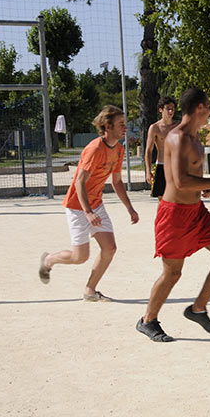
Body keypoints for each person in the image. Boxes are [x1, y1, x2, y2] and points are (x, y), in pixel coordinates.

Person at [136, 88, 210, 342]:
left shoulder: (195, 139)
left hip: (196, 212)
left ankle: (197, 308)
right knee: (173, 273)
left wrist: (204, 186)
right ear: (199, 108)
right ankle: (148, 320)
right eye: (208, 107)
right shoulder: (178, 138)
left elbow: (191, 177)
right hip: (173, 216)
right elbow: (180, 182)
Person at [38, 105, 139, 301]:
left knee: (109, 248)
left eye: (125, 124)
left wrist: (130, 208)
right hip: (78, 207)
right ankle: (49, 260)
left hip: (96, 205)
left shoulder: (119, 149)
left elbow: (117, 181)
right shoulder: (94, 149)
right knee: (80, 257)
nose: (125, 128)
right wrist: (88, 212)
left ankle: (90, 290)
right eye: (121, 124)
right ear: (108, 127)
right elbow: (79, 182)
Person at [145, 96, 179, 198]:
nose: (170, 111)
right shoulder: (155, 128)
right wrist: (148, 171)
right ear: (161, 110)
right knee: (162, 199)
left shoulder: (179, 126)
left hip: (177, 166)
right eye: (168, 108)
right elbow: (148, 150)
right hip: (161, 165)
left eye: (172, 108)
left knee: (179, 199)